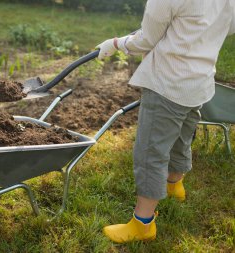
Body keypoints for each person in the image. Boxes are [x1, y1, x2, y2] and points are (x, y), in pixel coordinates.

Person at [96, 0, 235, 243]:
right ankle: (174, 186)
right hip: (199, 83)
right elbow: (228, 26)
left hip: (168, 83)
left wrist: (116, 43)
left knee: (151, 152)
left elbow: (146, 41)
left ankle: (143, 224)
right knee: (182, 137)